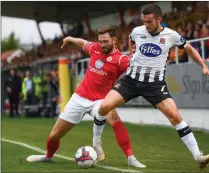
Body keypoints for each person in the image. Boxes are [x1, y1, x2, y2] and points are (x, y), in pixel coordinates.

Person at [93, 4, 209, 169]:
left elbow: (189, 49)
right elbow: (132, 40)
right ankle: (96, 143)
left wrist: (203, 65)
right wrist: (132, 51)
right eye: (144, 21)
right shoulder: (138, 31)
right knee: (104, 106)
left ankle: (198, 156)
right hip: (131, 80)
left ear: (159, 19)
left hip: (154, 84)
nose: (146, 25)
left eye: (149, 22)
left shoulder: (171, 35)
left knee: (174, 116)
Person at [26, 26, 145, 168]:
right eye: (100, 41)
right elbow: (83, 43)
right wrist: (70, 39)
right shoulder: (95, 48)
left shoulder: (121, 59)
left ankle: (131, 158)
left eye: (105, 41)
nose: (102, 44)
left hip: (101, 101)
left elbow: (136, 68)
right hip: (79, 98)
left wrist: (136, 57)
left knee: (116, 122)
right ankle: (48, 156)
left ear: (114, 40)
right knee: (54, 135)